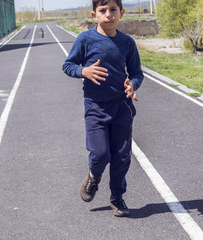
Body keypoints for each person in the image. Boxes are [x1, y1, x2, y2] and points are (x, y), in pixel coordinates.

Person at [62, 0, 143, 217]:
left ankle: (117, 197)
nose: (108, 14)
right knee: (100, 153)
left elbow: (136, 73)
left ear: (121, 13)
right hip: (96, 106)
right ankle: (93, 176)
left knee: (122, 156)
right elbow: (68, 65)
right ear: (94, 14)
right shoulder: (85, 39)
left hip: (122, 107)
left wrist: (132, 84)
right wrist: (83, 71)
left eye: (113, 10)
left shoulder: (127, 42)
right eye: (103, 10)